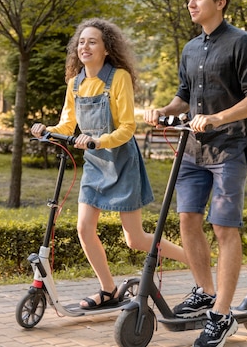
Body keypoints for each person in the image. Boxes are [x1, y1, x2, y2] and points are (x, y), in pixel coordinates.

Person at [144, 0, 247, 347]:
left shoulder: (242, 42)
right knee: (187, 219)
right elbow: (184, 96)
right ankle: (204, 290)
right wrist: (163, 109)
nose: (192, 3)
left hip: (229, 147)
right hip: (193, 149)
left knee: (224, 228)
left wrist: (218, 117)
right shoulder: (190, 48)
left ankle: (221, 314)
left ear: (220, 2)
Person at [31, 18, 186, 310]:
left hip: (121, 161)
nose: (85, 47)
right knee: (84, 229)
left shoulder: (118, 78)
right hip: (94, 164)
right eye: (81, 42)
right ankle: (108, 289)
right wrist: (46, 129)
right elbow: (67, 124)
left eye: (93, 42)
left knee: (135, 239)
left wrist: (98, 140)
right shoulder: (74, 83)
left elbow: (128, 127)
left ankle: (194, 259)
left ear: (106, 49)